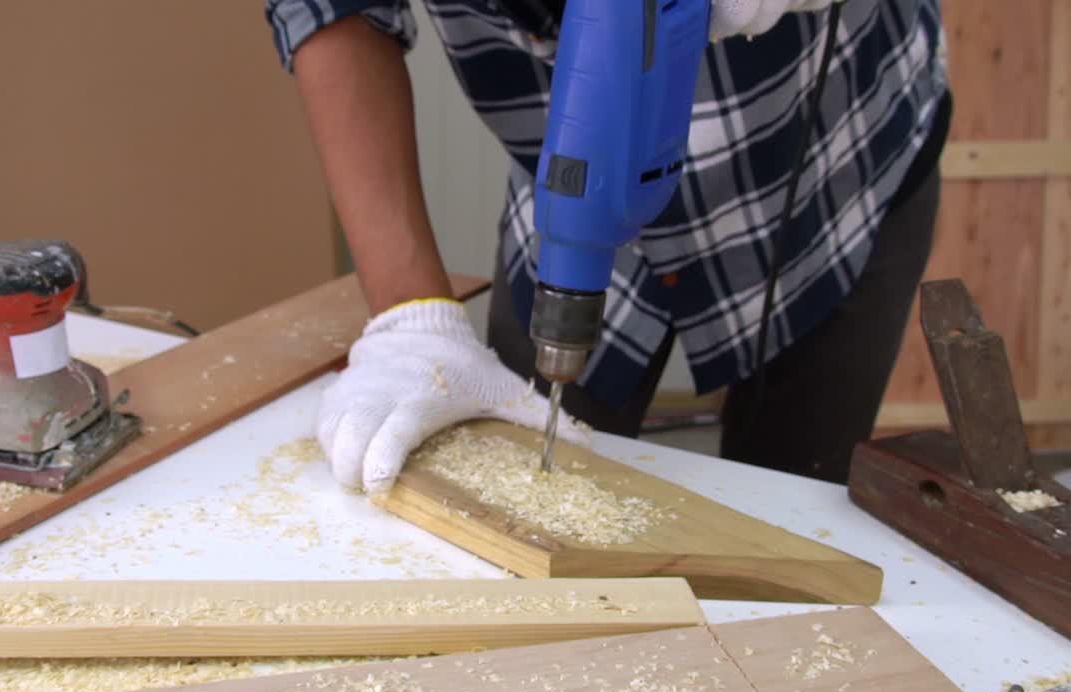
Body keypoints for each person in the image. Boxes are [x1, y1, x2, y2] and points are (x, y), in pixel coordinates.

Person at [263, 0, 952, 494]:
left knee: (800, 500)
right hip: (567, 176)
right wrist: (411, 314)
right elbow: (330, 8)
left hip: (828, 161)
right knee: (517, 483)